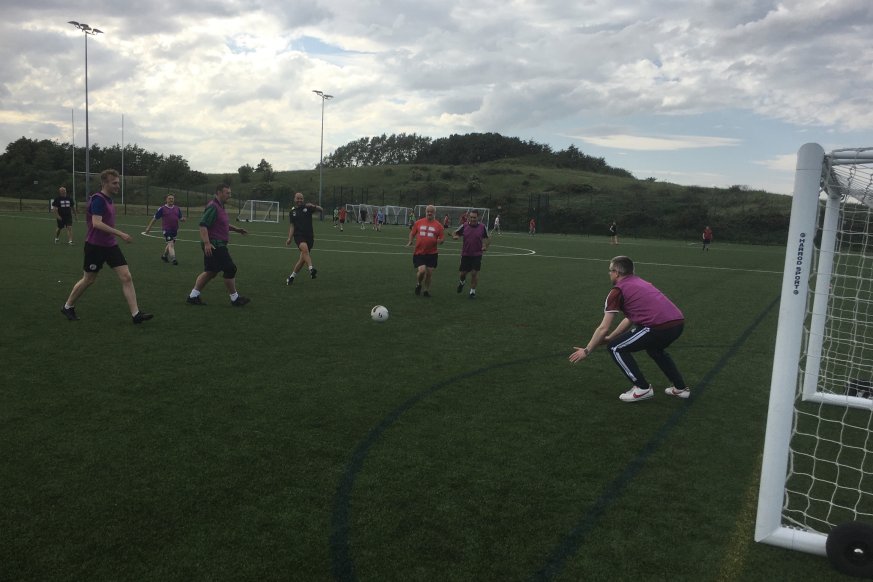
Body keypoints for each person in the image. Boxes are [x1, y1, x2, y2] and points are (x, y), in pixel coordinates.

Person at [568, 256, 691, 402]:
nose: (609, 274)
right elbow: (631, 318)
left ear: (617, 273)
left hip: (657, 327)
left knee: (615, 348)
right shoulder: (640, 282)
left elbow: (603, 327)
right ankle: (681, 389)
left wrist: (587, 350)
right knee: (655, 350)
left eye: (610, 270)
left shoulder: (617, 291)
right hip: (677, 323)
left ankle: (642, 388)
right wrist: (610, 338)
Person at [60, 169, 153, 324]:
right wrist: (121, 234)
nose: (118, 186)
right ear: (104, 183)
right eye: (114, 183)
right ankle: (68, 306)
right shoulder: (98, 200)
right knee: (89, 279)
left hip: (110, 246)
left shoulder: (109, 199)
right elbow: (96, 223)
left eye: (118, 183)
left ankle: (136, 314)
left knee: (126, 276)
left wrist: (115, 237)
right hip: (95, 246)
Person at [186, 183, 250, 307]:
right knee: (230, 268)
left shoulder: (220, 207)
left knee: (211, 271)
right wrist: (207, 243)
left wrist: (237, 229)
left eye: (230, 193)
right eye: (227, 193)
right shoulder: (213, 206)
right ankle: (235, 299)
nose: (229, 195)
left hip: (216, 243)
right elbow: (203, 224)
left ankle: (193, 296)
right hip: (215, 244)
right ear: (219, 192)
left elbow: (222, 224)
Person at [407, 204, 445, 297]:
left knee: (429, 273)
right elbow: (412, 233)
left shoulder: (439, 226)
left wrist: (440, 241)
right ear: (426, 212)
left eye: (431, 212)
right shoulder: (419, 222)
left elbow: (442, 238)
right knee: (422, 271)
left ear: (434, 213)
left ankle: (426, 291)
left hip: (432, 253)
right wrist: (410, 241)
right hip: (419, 252)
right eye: (428, 211)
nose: (429, 213)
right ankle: (419, 284)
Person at [285, 192, 323, 285]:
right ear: (294, 199)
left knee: (302, 259)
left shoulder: (308, 207)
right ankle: (311, 269)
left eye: (301, 198)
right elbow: (292, 226)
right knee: (305, 250)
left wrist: (314, 205)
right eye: (298, 198)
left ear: (303, 199)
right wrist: (289, 238)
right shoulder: (292, 212)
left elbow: (321, 210)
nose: (299, 200)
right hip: (299, 236)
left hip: (309, 236)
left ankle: (291, 277)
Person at [452, 208, 490, 299]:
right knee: (462, 274)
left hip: (477, 254)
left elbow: (487, 238)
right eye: (471, 217)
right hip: (465, 254)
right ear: (469, 217)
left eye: (475, 217)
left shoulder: (482, 227)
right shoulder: (464, 226)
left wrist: (485, 246)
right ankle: (462, 282)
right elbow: (454, 233)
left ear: (478, 217)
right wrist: (455, 236)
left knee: (474, 273)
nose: (473, 219)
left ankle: (472, 292)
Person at [143, 193, 186, 265]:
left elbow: (180, 218)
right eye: (169, 198)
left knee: (170, 244)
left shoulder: (177, 208)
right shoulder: (162, 209)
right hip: (166, 229)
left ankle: (164, 256)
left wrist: (183, 219)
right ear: (166, 200)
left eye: (172, 198)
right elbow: (154, 219)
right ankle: (173, 259)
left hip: (175, 229)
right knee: (171, 244)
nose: (171, 200)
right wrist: (148, 228)